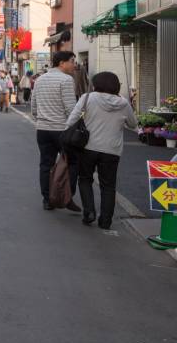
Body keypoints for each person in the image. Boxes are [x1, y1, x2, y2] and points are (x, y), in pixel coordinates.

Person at [66, 71, 137, 229]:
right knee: (108, 186)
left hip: (88, 147)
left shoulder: (87, 98)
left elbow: (71, 120)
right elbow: (133, 125)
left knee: (85, 179)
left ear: (96, 84)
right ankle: (105, 221)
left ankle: (89, 212)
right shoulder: (124, 103)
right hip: (112, 149)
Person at [30, 50, 81, 212]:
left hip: (43, 129)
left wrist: (42, 118)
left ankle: (47, 199)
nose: (75, 65)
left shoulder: (39, 80)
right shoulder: (66, 80)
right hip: (61, 129)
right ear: (62, 63)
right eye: (72, 61)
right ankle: (66, 196)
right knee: (72, 162)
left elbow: (34, 107)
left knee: (46, 164)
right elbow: (71, 110)